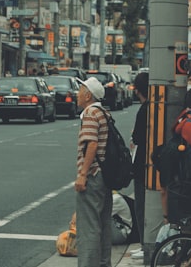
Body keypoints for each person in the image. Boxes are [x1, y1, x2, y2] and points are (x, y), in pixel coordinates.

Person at [75, 77, 112, 267]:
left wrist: (82, 174)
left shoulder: (90, 113)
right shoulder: (104, 112)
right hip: (105, 175)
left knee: (88, 227)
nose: (77, 94)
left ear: (88, 95)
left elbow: (92, 144)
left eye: (80, 90)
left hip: (93, 176)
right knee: (103, 226)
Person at [130, 72, 150, 261]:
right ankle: (146, 245)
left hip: (143, 163)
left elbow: (136, 137)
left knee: (142, 206)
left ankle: (146, 245)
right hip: (153, 163)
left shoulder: (144, 109)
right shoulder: (155, 108)